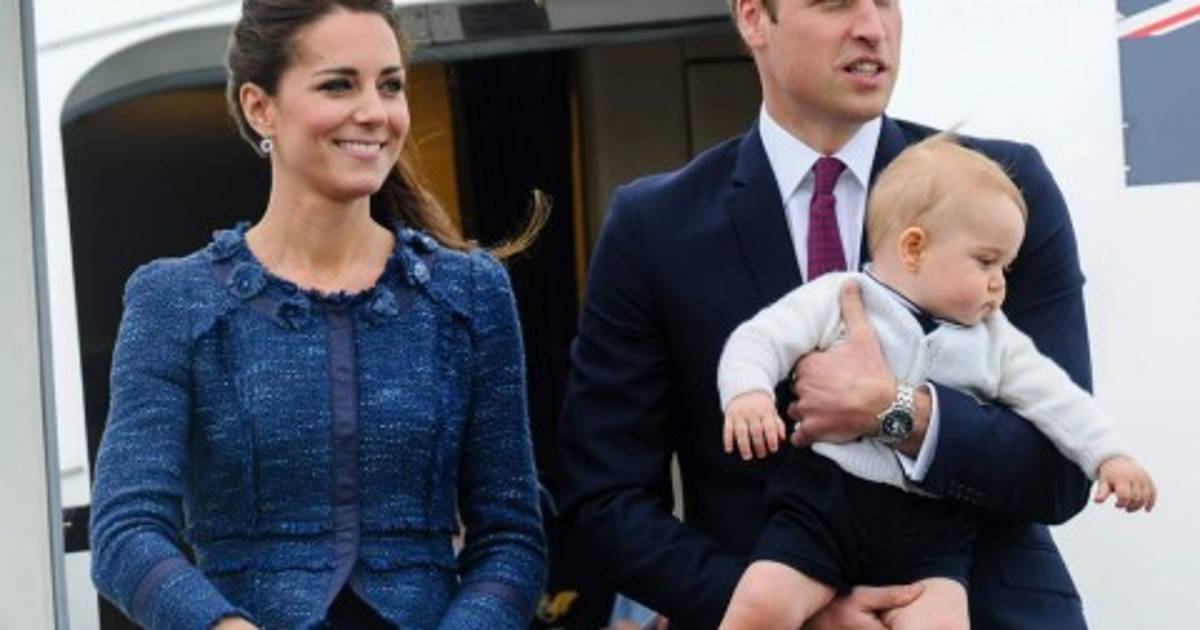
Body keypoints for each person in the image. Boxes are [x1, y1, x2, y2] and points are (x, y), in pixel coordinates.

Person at [558, 0, 1099, 627]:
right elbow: (604, 498)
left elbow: (1063, 466)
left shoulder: (1001, 189)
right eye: (836, 2)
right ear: (754, 17)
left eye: (886, 1)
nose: (872, 27)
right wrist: (793, 615)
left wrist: (895, 410)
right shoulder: (654, 226)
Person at [88, 1, 546, 628]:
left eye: (390, 85)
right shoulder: (174, 300)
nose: (374, 111)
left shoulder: (470, 293)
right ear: (260, 107)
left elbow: (513, 538)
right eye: (338, 84)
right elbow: (124, 531)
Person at [717, 134, 1156, 630]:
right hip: (823, 507)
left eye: (1006, 267)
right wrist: (749, 394)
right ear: (914, 248)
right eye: (986, 262)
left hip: (933, 527)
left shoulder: (996, 340)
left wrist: (1109, 456)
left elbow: (1058, 400)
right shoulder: (842, 295)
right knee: (761, 605)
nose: (1000, 283)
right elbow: (760, 339)